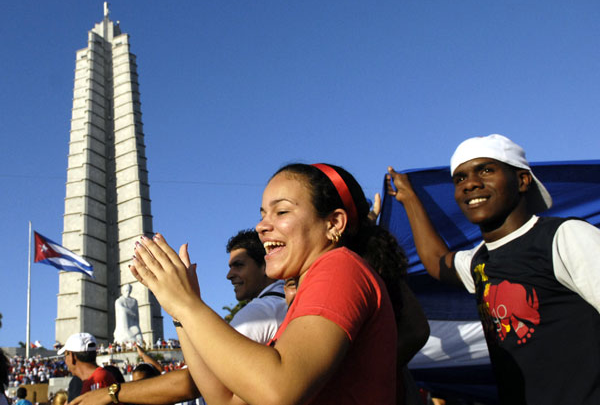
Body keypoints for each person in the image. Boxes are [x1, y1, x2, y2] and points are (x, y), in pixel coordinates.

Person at [128, 163, 401, 405]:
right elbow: (224, 400)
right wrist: (180, 312)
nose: (261, 226)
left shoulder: (340, 266)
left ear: (334, 223)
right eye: (262, 215)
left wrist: (187, 305)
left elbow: (277, 390)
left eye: (281, 211)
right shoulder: (306, 296)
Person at [386, 134, 600, 404]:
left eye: (486, 170)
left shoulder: (565, 237)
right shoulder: (479, 261)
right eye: (459, 178)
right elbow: (437, 261)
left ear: (522, 181)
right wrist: (409, 199)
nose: (470, 184)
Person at [71, 229, 288, 405]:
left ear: (264, 264)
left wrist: (111, 393)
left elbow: (192, 382)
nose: (229, 274)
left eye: (239, 265)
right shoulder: (277, 303)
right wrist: (181, 308)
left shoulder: (262, 311)